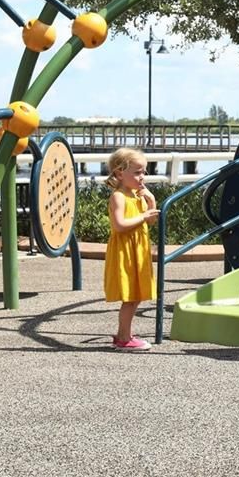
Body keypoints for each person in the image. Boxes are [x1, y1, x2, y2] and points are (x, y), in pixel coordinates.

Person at [103, 147, 160, 352]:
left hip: (138, 248)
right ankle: (124, 338)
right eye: (137, 172)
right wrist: (143, 217)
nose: (142, 177)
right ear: (120, 173)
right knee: (130, 296)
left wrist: (150, 201)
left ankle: (123, 334)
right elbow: (119, 225)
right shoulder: (119, 196)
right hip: (125, 250)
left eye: (144, 172)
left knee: (135, 295)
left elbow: (151, 220)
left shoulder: (137, 195)